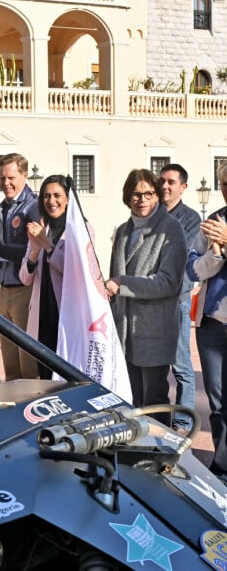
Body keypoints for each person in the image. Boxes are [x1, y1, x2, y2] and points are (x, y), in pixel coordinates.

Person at [105, 168, 187, 426]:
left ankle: (159, 454)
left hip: (153, 329)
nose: (142, 200)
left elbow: (169, 282)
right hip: (124, 331)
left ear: (157, 195)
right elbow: (112, 276)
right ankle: (135, 453)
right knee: (129, 399)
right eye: (136, 194)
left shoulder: (171, 229)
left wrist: (123, 284)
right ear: (127, 197)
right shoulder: (122, 231)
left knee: (154, 400)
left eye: (149, 193)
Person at [0, 153, 40, 380]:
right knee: (10, 364)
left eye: (11, 177)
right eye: (2, 178)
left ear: (25, 176)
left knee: (28, 363)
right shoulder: (4, 207)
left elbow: (29, 250)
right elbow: (3, 253)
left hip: (24, 291)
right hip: (4, 290)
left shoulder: (32, 207)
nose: (6, 183)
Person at [186, 163, 227, 479]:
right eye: (224, 182)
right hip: (213, 323)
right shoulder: (214, 223)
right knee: (217, 400)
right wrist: (216, 255)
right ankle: (222, 463)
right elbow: (192, 270)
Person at [159, 163, 201, 434]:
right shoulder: (151, 212)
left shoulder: (190, 218)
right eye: (162, 180)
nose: (164, 186)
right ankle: (159, 421)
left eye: (171, 182)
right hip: (151, 300)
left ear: (183, 187)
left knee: (181, 365)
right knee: (153, 365)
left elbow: (177, 255)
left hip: (176, 301)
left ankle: (183, 426)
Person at [18, 175, 73, 379]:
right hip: (42, 316)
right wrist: (33, 251)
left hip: (66, 316)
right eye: (46, 196)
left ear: (68, 199)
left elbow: (73, 270)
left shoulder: (80, 229)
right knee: (46, 377)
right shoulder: (41, 228)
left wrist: (47, 244)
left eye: (57, 195)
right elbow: (25, 277)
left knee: (66, 378)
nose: (52, 201)